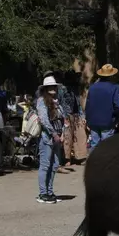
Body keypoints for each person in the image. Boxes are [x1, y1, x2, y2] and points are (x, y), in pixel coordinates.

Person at [35, 76, 65, 204]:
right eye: (50, 87)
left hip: (57, 138)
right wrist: (54, 134)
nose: (53, 88)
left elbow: (62, 119)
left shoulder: (56, 102)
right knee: (45, 165)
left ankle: (49, 191)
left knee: (54, 165)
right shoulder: (42, 101)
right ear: (45, 89)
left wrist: (62, 133)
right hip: (47, 138)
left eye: (54, 86)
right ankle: (43, 193)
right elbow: (44, 120)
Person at [85, 64, 119, 152]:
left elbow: (87, 106)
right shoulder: (113, 88)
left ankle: (93, 163)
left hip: (93, 121)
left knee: (94, 144)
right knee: (107, 145)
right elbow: (118, 106)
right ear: (111, 75)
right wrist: (116, 119)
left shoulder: (92, 88)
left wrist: (88, 120)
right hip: (107, 121)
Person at [59, 71, 88, 166]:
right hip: (66, 115)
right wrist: (64, 117)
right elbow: (61, 103)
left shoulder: (75, 89)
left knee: (81, 135)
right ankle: (67, 158)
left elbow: (78, 103)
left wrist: (82, 116)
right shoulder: (62, 89)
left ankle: (81, 156)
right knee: (68, 138)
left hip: (76, 115)